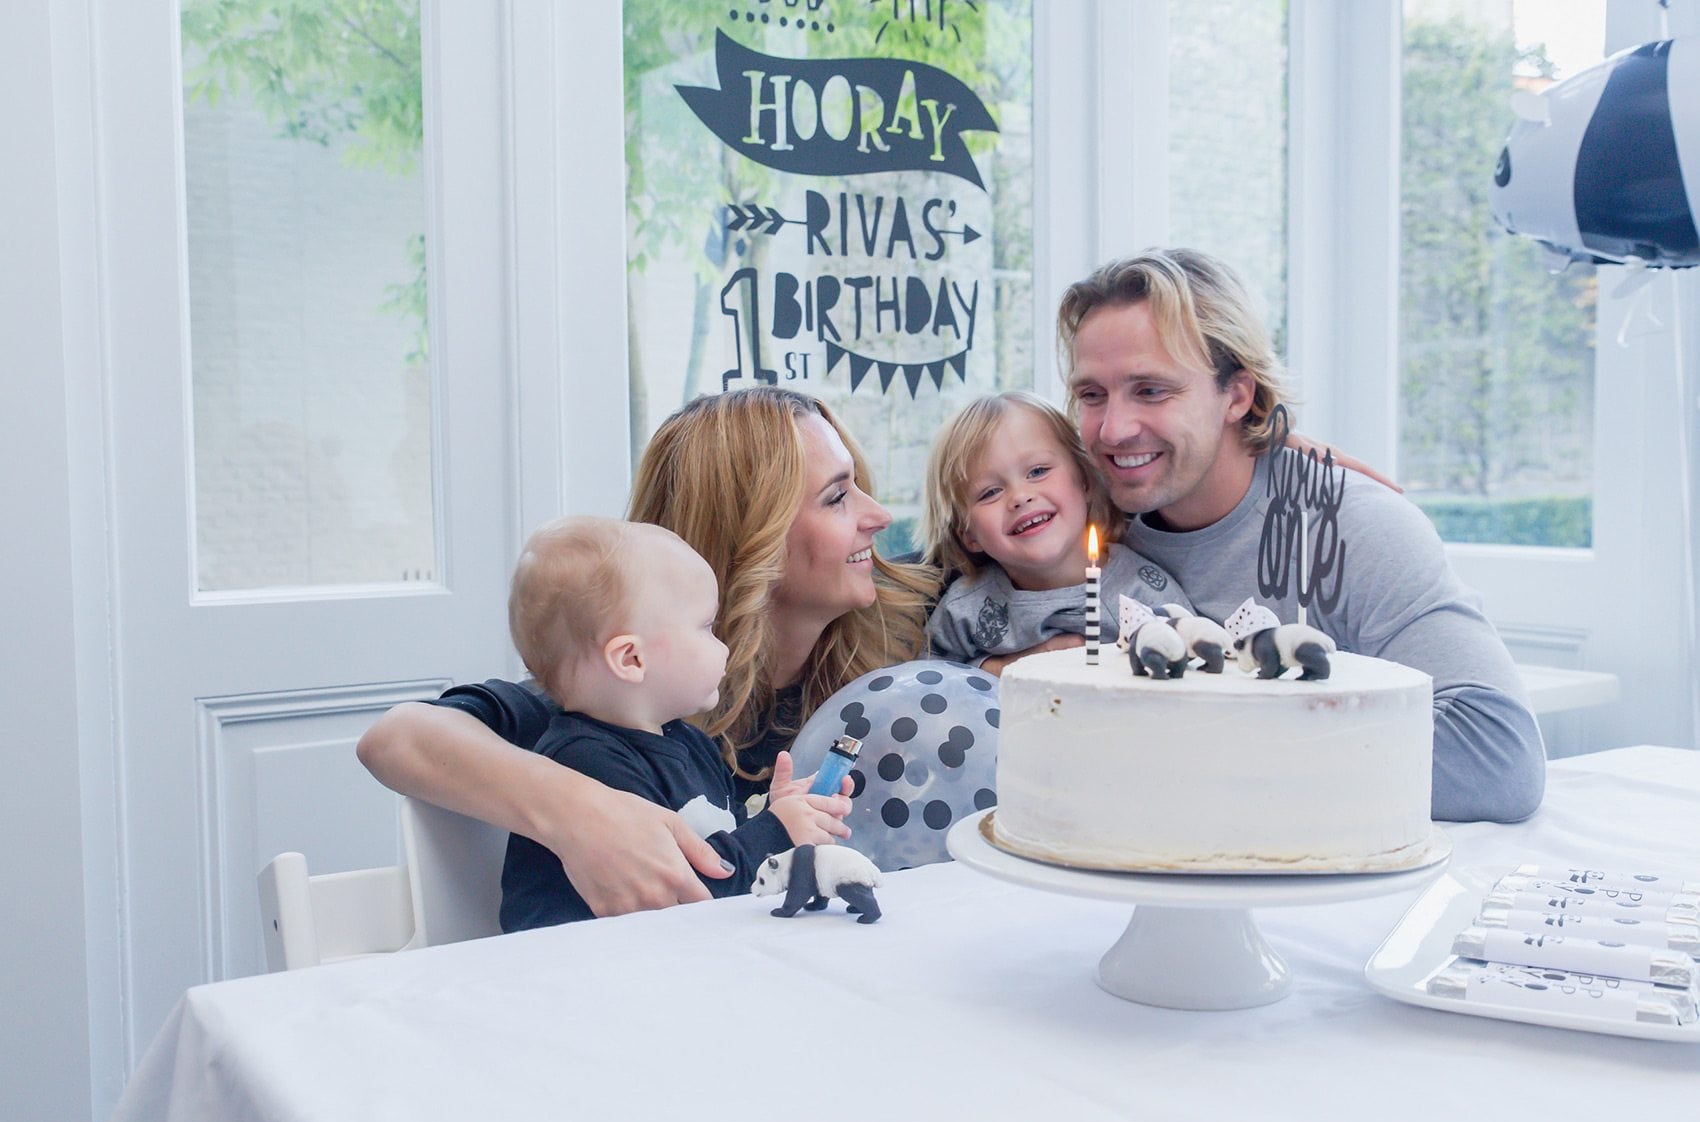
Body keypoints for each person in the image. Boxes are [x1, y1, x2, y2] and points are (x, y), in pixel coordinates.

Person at [357, 387, 936, 916]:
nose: (880, 516)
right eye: (837, 497)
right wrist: (579, 811)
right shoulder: (618, 704)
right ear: (751, 534)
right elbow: (396, 738)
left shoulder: (912, 646)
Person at [1047, 247, 1545, 822]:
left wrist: (1188, 739)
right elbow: (931, 600)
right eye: (1091, 395)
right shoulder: (1072, 520)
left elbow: (1498, 759)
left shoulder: (1352, 526)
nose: (1113, 429)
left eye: (1152, 390)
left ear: (1238, 394)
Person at [498, 517, 849, 931]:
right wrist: (776, 831)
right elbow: (683, 891)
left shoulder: (691, 744)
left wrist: (776, 814)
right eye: (707, 627)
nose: (724, 646)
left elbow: (722, 850)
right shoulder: (587, 765)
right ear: (631, 659)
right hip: (579, 979)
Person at [922, 390, 1188, 665]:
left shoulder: (1142, 591)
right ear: (968, 534)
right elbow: (928, 685)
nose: (1020, 497)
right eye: (989, 492)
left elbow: (1189, 673)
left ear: (1084, 479)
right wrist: (996, 669)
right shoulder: (964, 609)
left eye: (1037, 471)